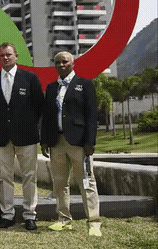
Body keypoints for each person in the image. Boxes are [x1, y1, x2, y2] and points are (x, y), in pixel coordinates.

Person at [0, 42, 44, 231]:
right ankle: (7, 214)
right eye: (2, 55)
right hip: (2, 136)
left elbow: (38, 106)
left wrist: (26, 124)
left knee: (29, 176)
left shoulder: (30, 78)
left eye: (9, 54)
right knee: (4, 177)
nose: (6, 58)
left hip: (27, 136)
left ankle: (29, 215)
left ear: (16, 56)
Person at [41, 51, 101, 237]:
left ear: (73, 63)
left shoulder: (85, 84)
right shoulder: (51, 88)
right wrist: (44, 140)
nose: (61, 65)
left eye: (64, 61)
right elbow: (47, 116)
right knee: (60, 183)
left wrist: (90, 141)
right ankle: (63, 219)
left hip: (79, 142)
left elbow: (92, 116)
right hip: (56, 141)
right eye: (57, 62)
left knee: (86, 182)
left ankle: (94, 222)